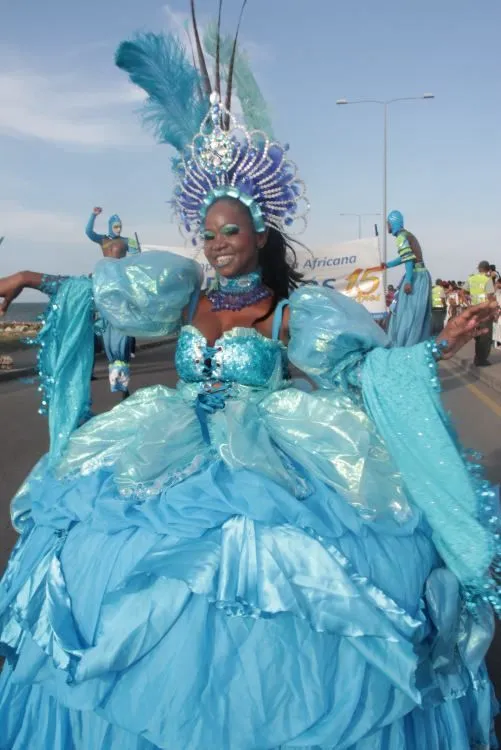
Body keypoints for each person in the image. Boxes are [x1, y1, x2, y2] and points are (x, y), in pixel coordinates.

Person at [0, 26, 500, 750]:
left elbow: (362, 371)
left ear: (260, 230)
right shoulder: (181, 294)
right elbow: (102, 291)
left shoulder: (292, 309)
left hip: (273, 452)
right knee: (95, 553)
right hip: (163, 447)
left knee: (280, 572)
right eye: (207, 234)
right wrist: (28, 281)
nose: (215, 243)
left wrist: (443, 342)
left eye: (229, 230)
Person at [85, 210, 135, 398]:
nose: (118, 228)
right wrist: (93, 215)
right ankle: (116, 379)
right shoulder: (103, 240)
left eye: (119, 226)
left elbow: (137, 255)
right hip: (105, 283)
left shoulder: (126, 241)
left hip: (120, 283)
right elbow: (88, 232)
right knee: (106, 330)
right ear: (109, 227)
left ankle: (123, 384)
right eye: (115, 226)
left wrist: (136, 252)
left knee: (122, 333)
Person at [383, 210, 432, 346]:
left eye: (388, 223)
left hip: (416, 276)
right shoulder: (407, 235)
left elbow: (409, 260)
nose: (387, 226)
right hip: (421, 274)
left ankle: (405, 347)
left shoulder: (401, 237)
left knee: (406, 314)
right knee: (415, 315)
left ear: (393, 223)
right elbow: (406, 257)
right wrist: (387, 265)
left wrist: (409, 281)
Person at [465, 260, 496, 366]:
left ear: (479, 269)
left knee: (478, 335)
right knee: (485, 335)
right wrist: (494, 311)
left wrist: (468, 305)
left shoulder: (471, 278)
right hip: (484, 311)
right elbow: (490, 297)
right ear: (488, 269)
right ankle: (481, 360)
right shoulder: (487, 280)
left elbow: (461, 292)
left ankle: (477, 358)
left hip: (474, 310)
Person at [493, 277, 501, 348]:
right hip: (497, 312)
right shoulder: (497, 291)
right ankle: (497, 343)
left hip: (499, 312)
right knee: (497, 327)